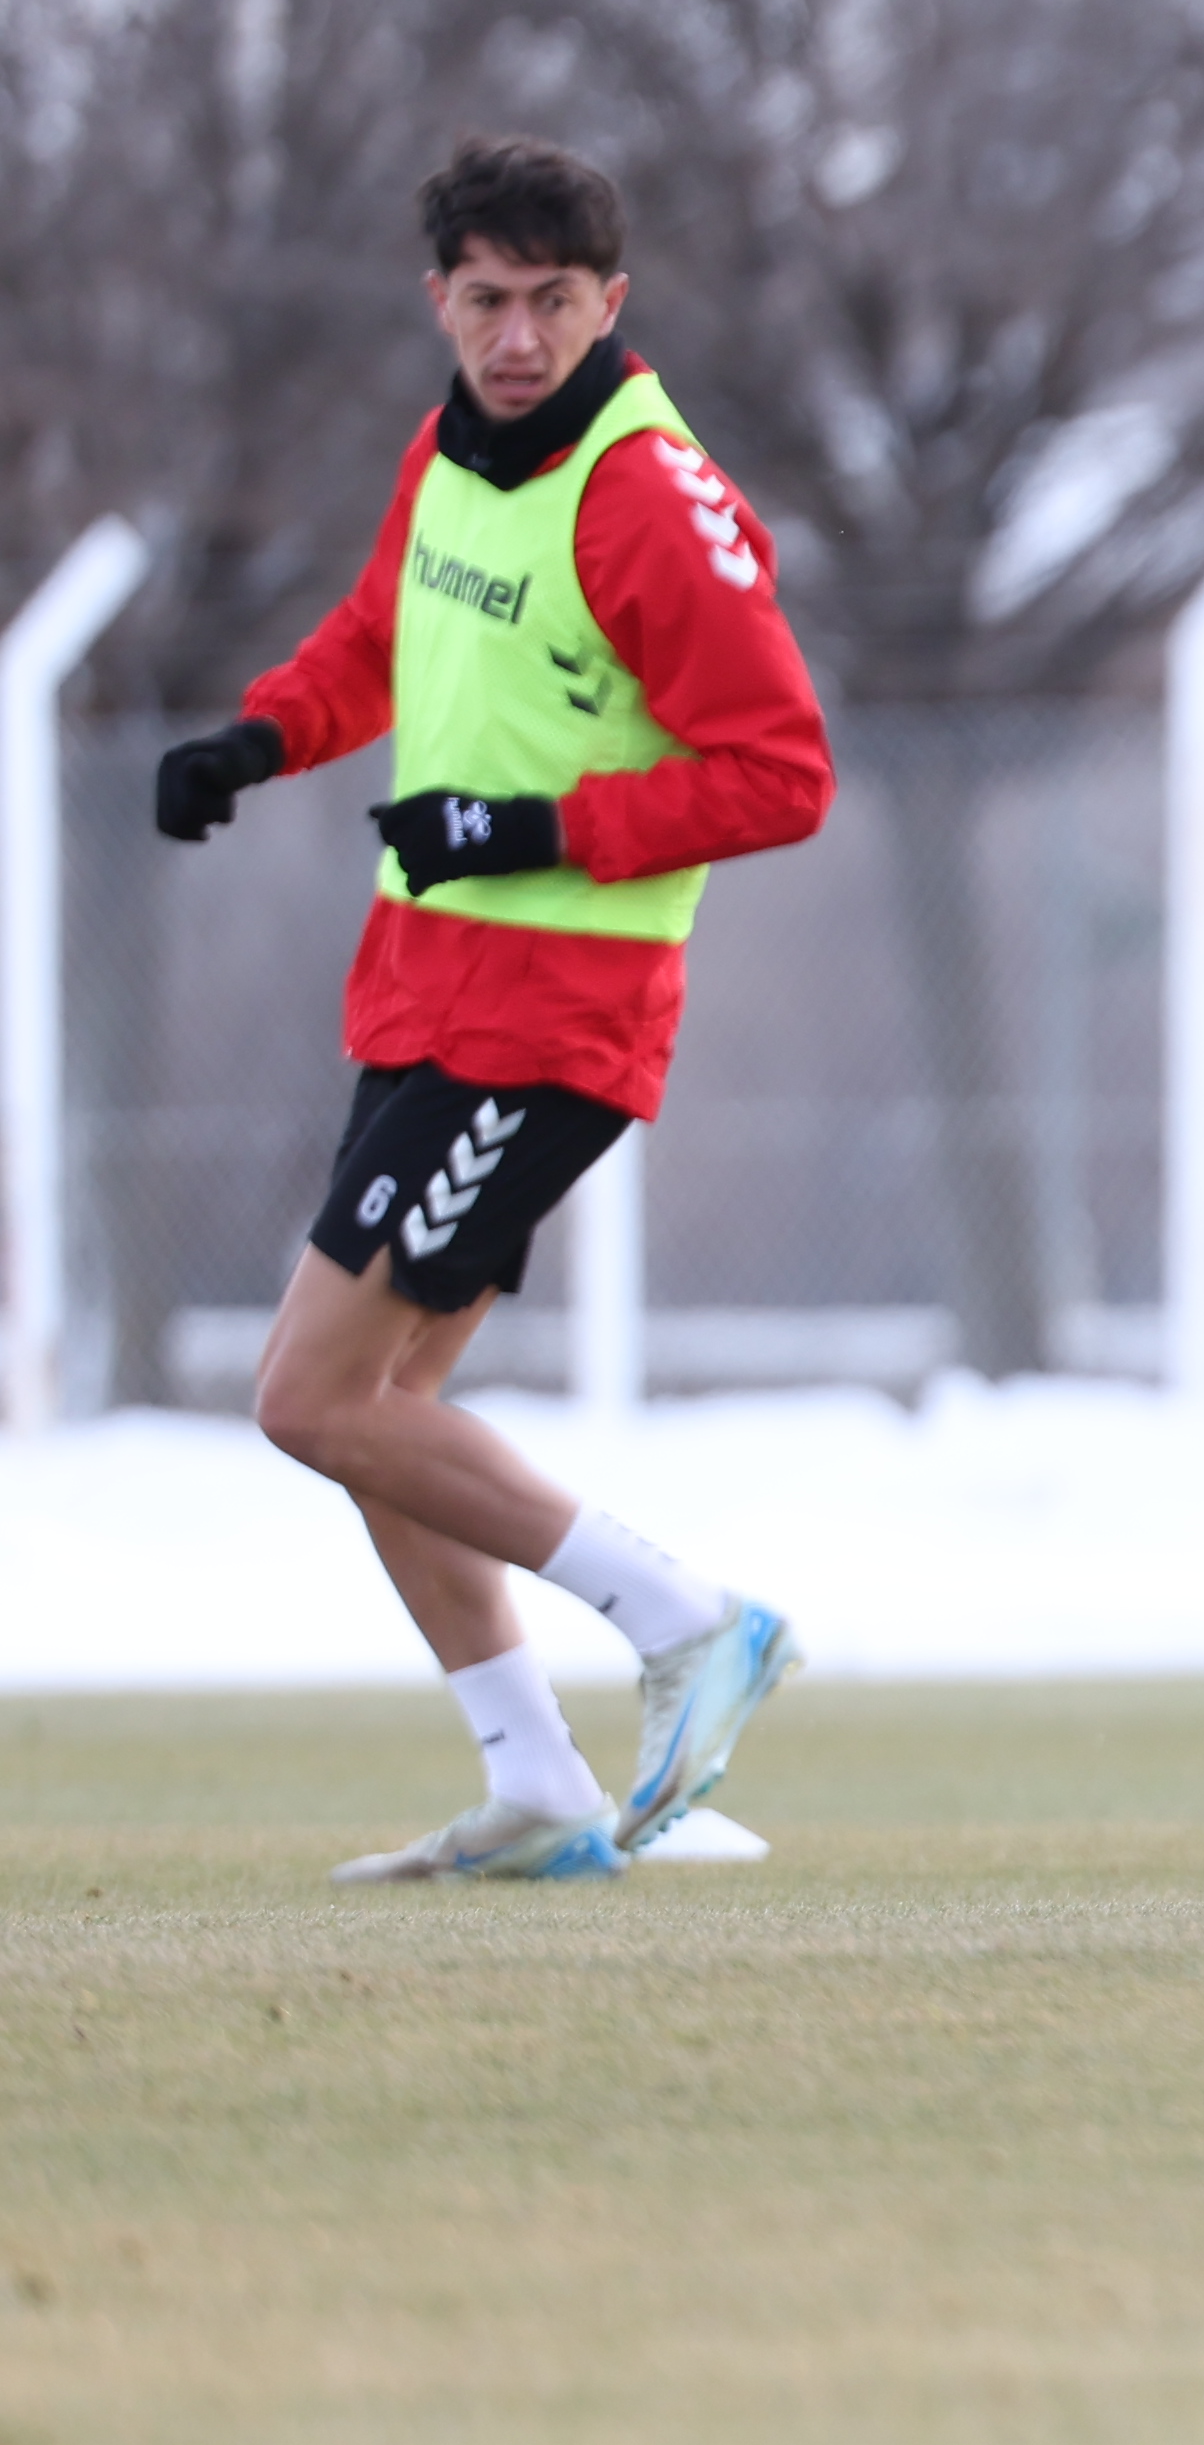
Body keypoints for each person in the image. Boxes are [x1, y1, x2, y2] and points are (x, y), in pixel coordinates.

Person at [148, 134, 826, 1881]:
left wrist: (533, 830)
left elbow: (781, 774)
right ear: (437, 297)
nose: (516, 336)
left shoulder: (648, 495)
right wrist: (260, 736)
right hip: (420, 998)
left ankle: (689, 1621)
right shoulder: (452, 452)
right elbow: (381, 637)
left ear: (612, 302)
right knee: (397, 1424)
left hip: (553, 1026)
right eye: (484, 299)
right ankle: (536, 1787)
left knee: (309, 1398)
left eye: (550, 301)